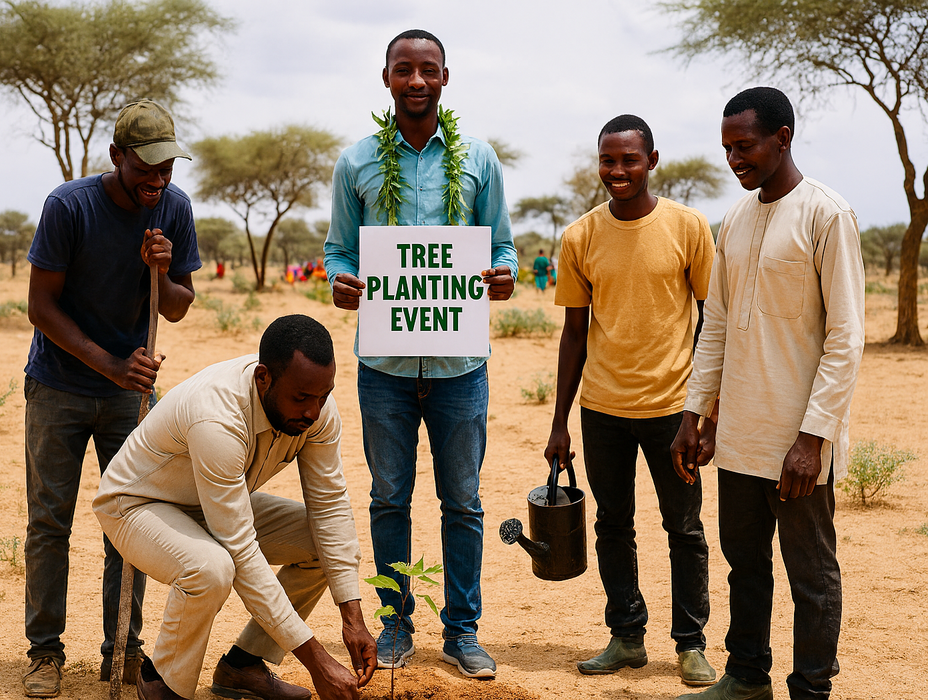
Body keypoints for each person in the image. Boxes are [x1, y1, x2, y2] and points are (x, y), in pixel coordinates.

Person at [323, 29, 518, 679]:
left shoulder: (480, 159)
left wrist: (502, 274)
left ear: (444, 78)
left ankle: (463, 631)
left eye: (427, 70)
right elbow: (339, 249)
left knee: (463, 502)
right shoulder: (356, 162)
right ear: (385, 78)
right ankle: (395, 625)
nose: (416, 81)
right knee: (388, 498)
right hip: (384, 368)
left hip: (461, 367)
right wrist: (341, 279)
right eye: (403, 70)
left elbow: (501, 246)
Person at [672, 87, 864, 700]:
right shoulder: (733, 220)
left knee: (811, 575)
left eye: (745, 146)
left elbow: (846, 339)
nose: (734, 159)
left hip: (797, 445)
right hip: (739, 437)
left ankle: (811, 687)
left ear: (782, 138)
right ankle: (747, 676)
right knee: (745, 564)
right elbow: (717, 326)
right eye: (727, 148)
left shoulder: (827, 215)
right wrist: (694, 414)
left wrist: (812, 439)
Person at [93, 315, 378, 700]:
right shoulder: (217, 416)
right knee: (211, 568)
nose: (313, 412)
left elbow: (330, 507)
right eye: (301, 399)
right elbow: (240, 548)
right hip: (136, 503)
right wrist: (317, 662)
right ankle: (162, 682)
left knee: (321, 544)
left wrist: (353, 618)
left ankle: (243, 666)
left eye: (323, 396)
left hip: (212, 502)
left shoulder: (315, 408)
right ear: (263, 378)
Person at [21, 98, 200, 698]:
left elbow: (177, 307)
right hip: (59, 387)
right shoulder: (68, 206)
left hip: (131, 396)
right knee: (50, 522)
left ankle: (122, 648)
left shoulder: (174, 207)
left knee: (130, 523)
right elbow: (40, 307)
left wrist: (163, 271)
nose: (157, 180)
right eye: (145, 168)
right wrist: (112, 366)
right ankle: (44, 653)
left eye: (166, 168)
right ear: (116, 156)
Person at [545, 114, 717, 686]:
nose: (617, 171)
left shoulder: (688, 227)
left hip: (673, 412)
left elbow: (712, 323)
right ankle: (626, 636)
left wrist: (704, 409)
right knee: (612, 524)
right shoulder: (580, 236)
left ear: (652, 161)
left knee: (684, 528)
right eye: (607, 160)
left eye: (629, 160)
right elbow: (574, 333)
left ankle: (690, 644)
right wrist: (559, 423)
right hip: (602, 410)